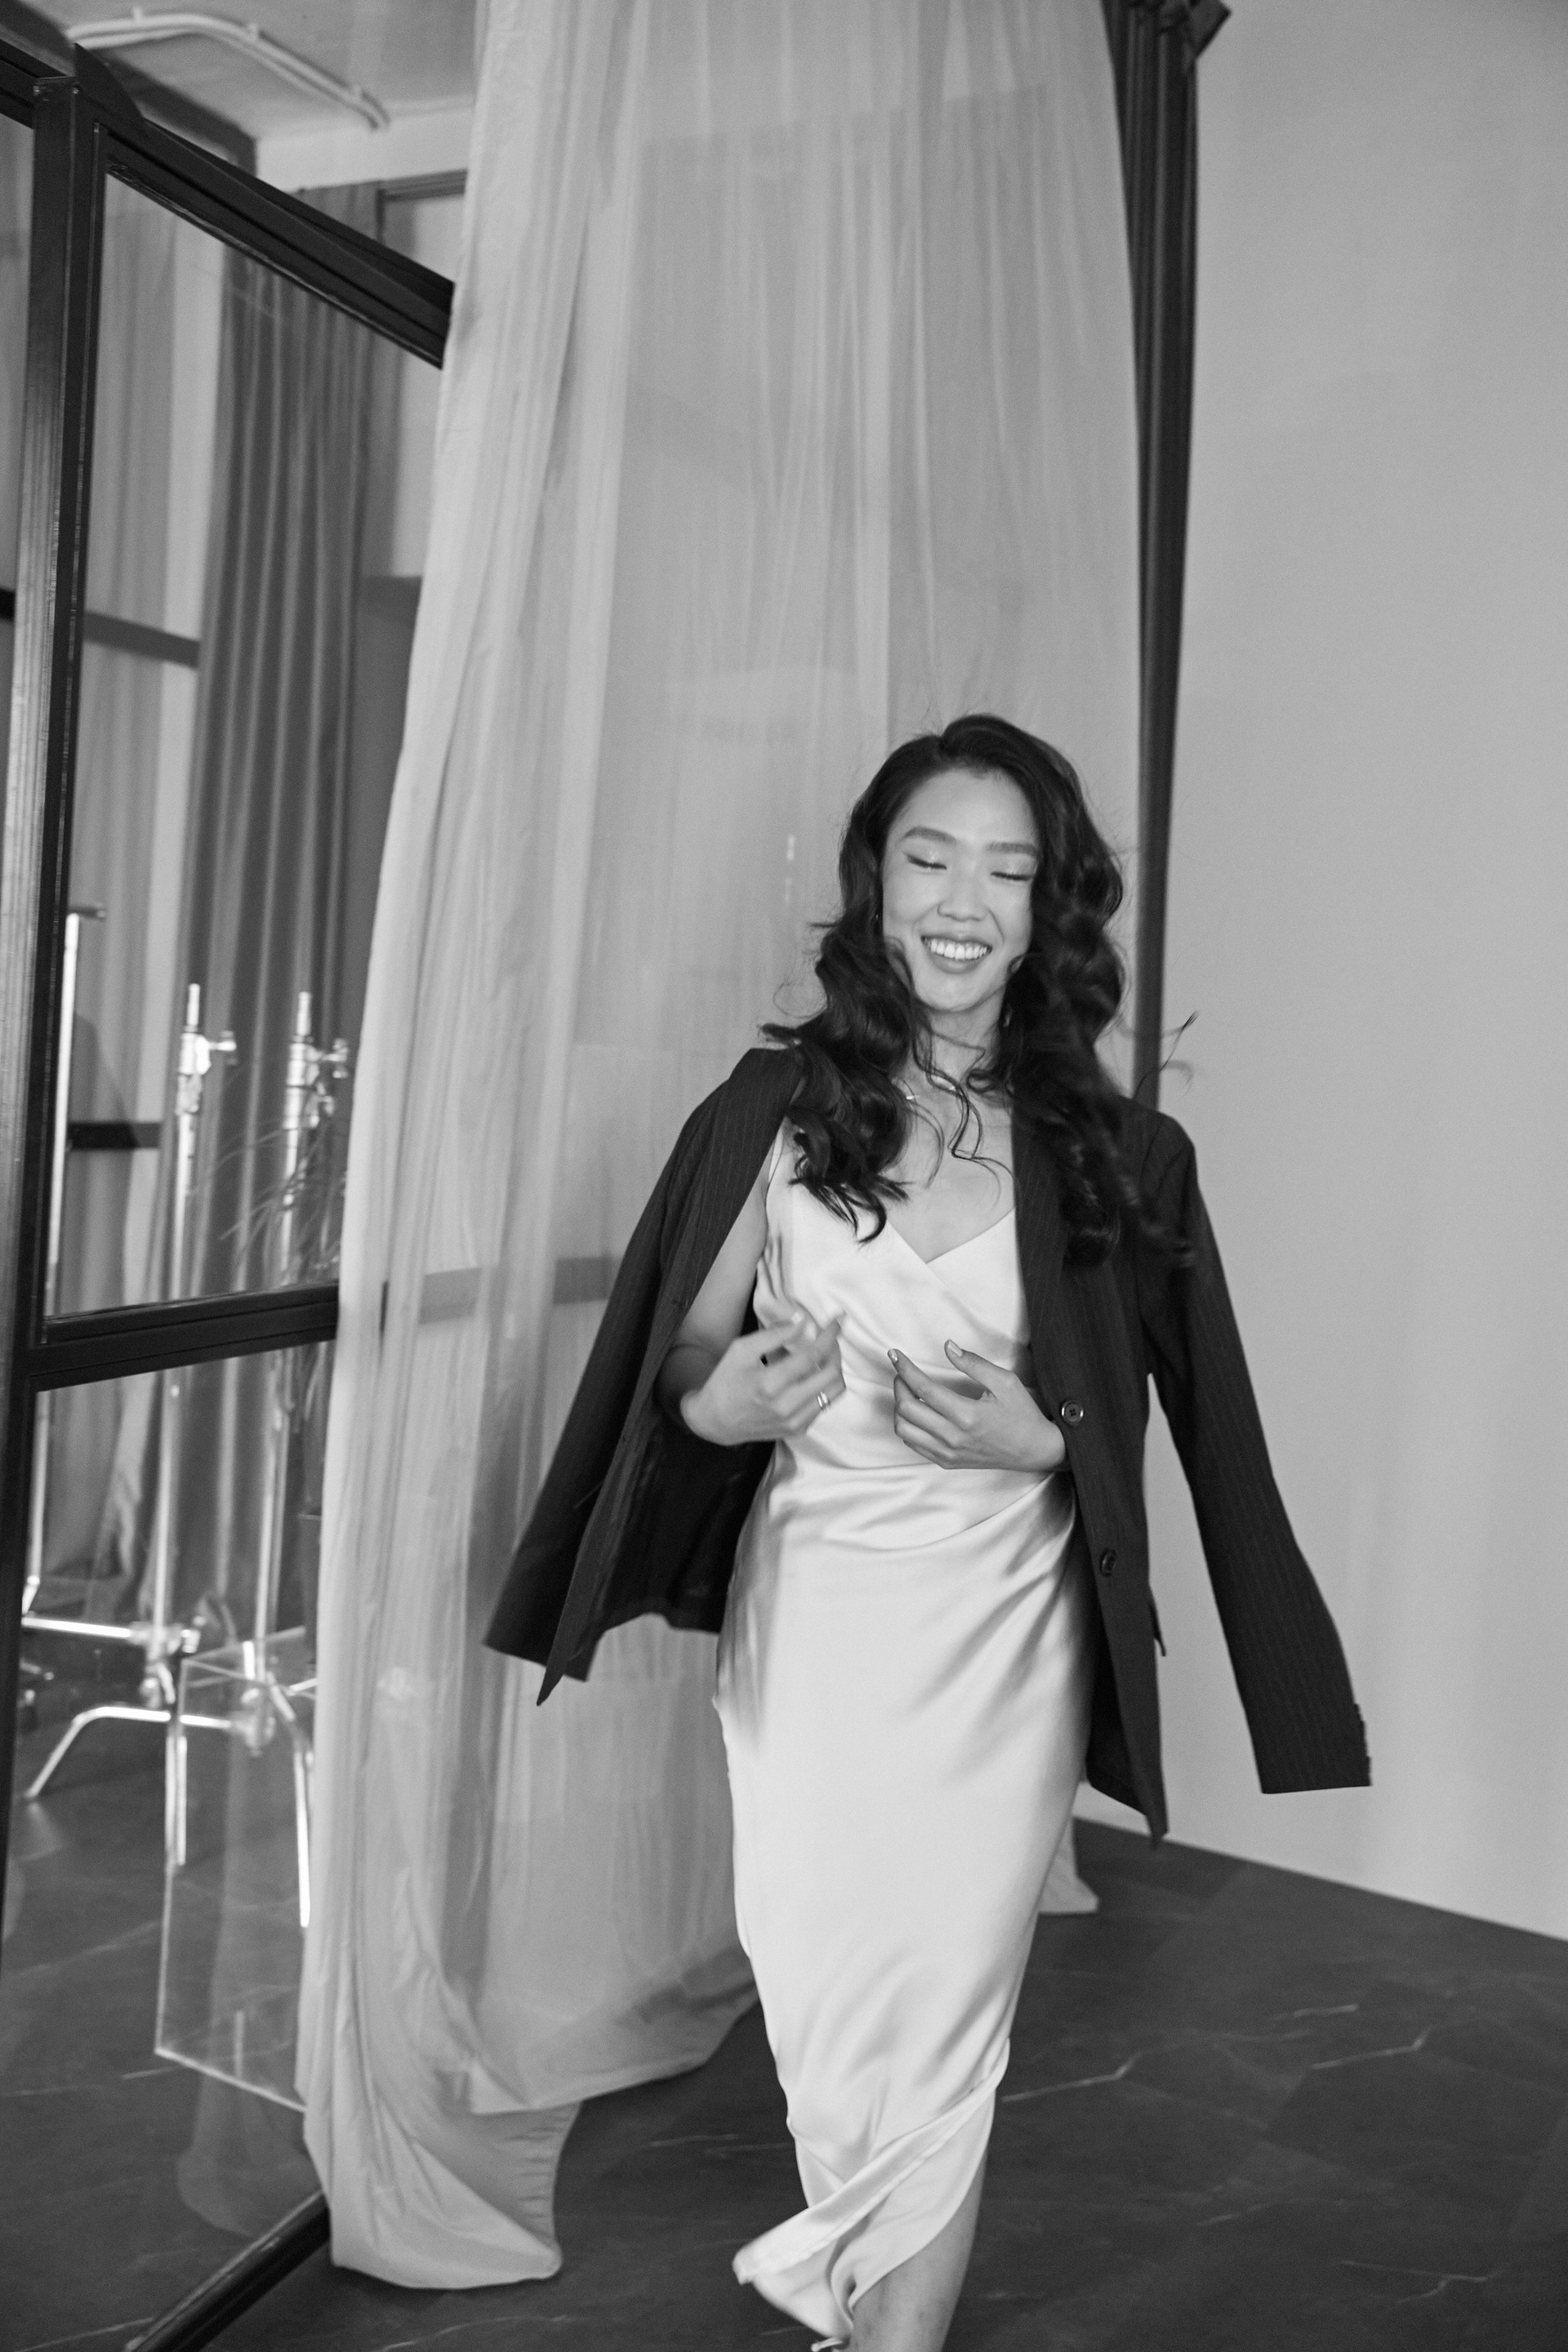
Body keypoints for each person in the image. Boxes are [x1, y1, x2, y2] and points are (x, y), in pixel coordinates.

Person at [485, 714, 1369, 2350]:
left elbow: (1193, 1419)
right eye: (930, 857)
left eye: (1008, 871)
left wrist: (1052, 1440)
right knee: (825, 1998)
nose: (964, 901)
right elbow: (681, 1356)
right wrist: (723, 1402)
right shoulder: (771, 1110)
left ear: (1048, 910)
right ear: (875, 881)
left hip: (1009, 1637)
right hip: (816, 1623)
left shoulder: (1120, 1152)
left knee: (950, 2023)